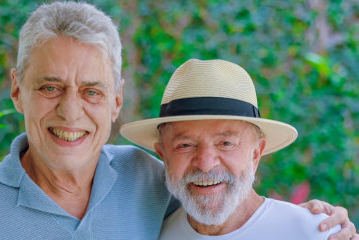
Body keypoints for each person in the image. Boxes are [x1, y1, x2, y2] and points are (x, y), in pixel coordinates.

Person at [0, 2, 356, 239]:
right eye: (50, 87)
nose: (71, 111)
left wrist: (308, 224)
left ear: (117, 99)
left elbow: (224, 205)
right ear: (17, 90)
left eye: (92, 91)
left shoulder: (145, 179)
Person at [120, 59, 359, 240]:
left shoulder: (316, 233)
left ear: (256, 154)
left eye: (226, 143)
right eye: (185, 145)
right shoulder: (155, 234)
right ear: (163, 155)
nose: (205, 163)